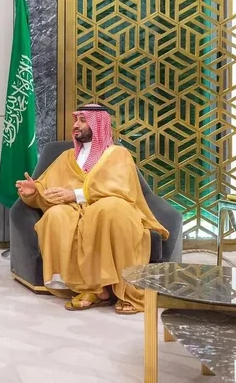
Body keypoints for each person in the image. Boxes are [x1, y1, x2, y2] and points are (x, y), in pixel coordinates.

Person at [15, 104, 168, 314]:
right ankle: (93, 289)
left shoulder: (117, 154)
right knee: (55, 215)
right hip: (75, 211)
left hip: (112, 207)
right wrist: (34, 191)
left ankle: (127, 291)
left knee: (107, 210)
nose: (76, 125)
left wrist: (76, 195)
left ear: (98, 124)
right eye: (76, 120)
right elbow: (47, 188)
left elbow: (120, 188)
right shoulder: (67, 157)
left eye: (82, 120)